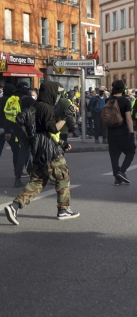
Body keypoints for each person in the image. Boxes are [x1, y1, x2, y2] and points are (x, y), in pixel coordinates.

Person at [4, 81, 80, 225]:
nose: (58, 96)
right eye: (57, 93)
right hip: (49, 152)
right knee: (62, 177)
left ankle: (14, 207)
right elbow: (53, 129)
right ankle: (63, 210)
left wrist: (61, 143)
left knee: (37, 182)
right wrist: (65, 117)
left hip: (38, 150)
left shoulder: (35, 106)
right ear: (51, 93)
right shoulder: (46, 107)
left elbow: (42, 132)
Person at [105, 80, 136, 185]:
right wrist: (131, 133)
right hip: (123, 132)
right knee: (131, 151)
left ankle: (117, 179)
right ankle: (122, 171)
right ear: (123, 88)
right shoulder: (125, 101)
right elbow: (128, 119)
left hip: (111, 132)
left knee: (114, 156)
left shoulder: (107, 100)